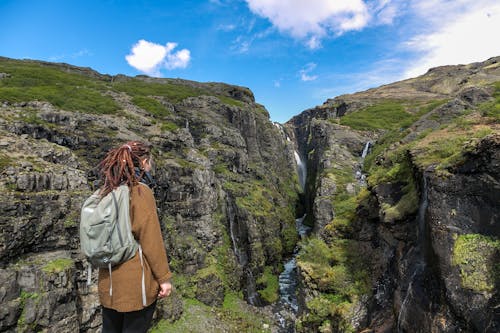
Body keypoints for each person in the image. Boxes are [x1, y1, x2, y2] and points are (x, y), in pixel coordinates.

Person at [97, 141, 173, 333]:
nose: (150, 168)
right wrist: (163, 279)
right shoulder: (140, 191)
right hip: (135, 287)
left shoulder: (106, 189)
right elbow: (151, 239)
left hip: (108, 280)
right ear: (144, 162)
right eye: (150, 163)